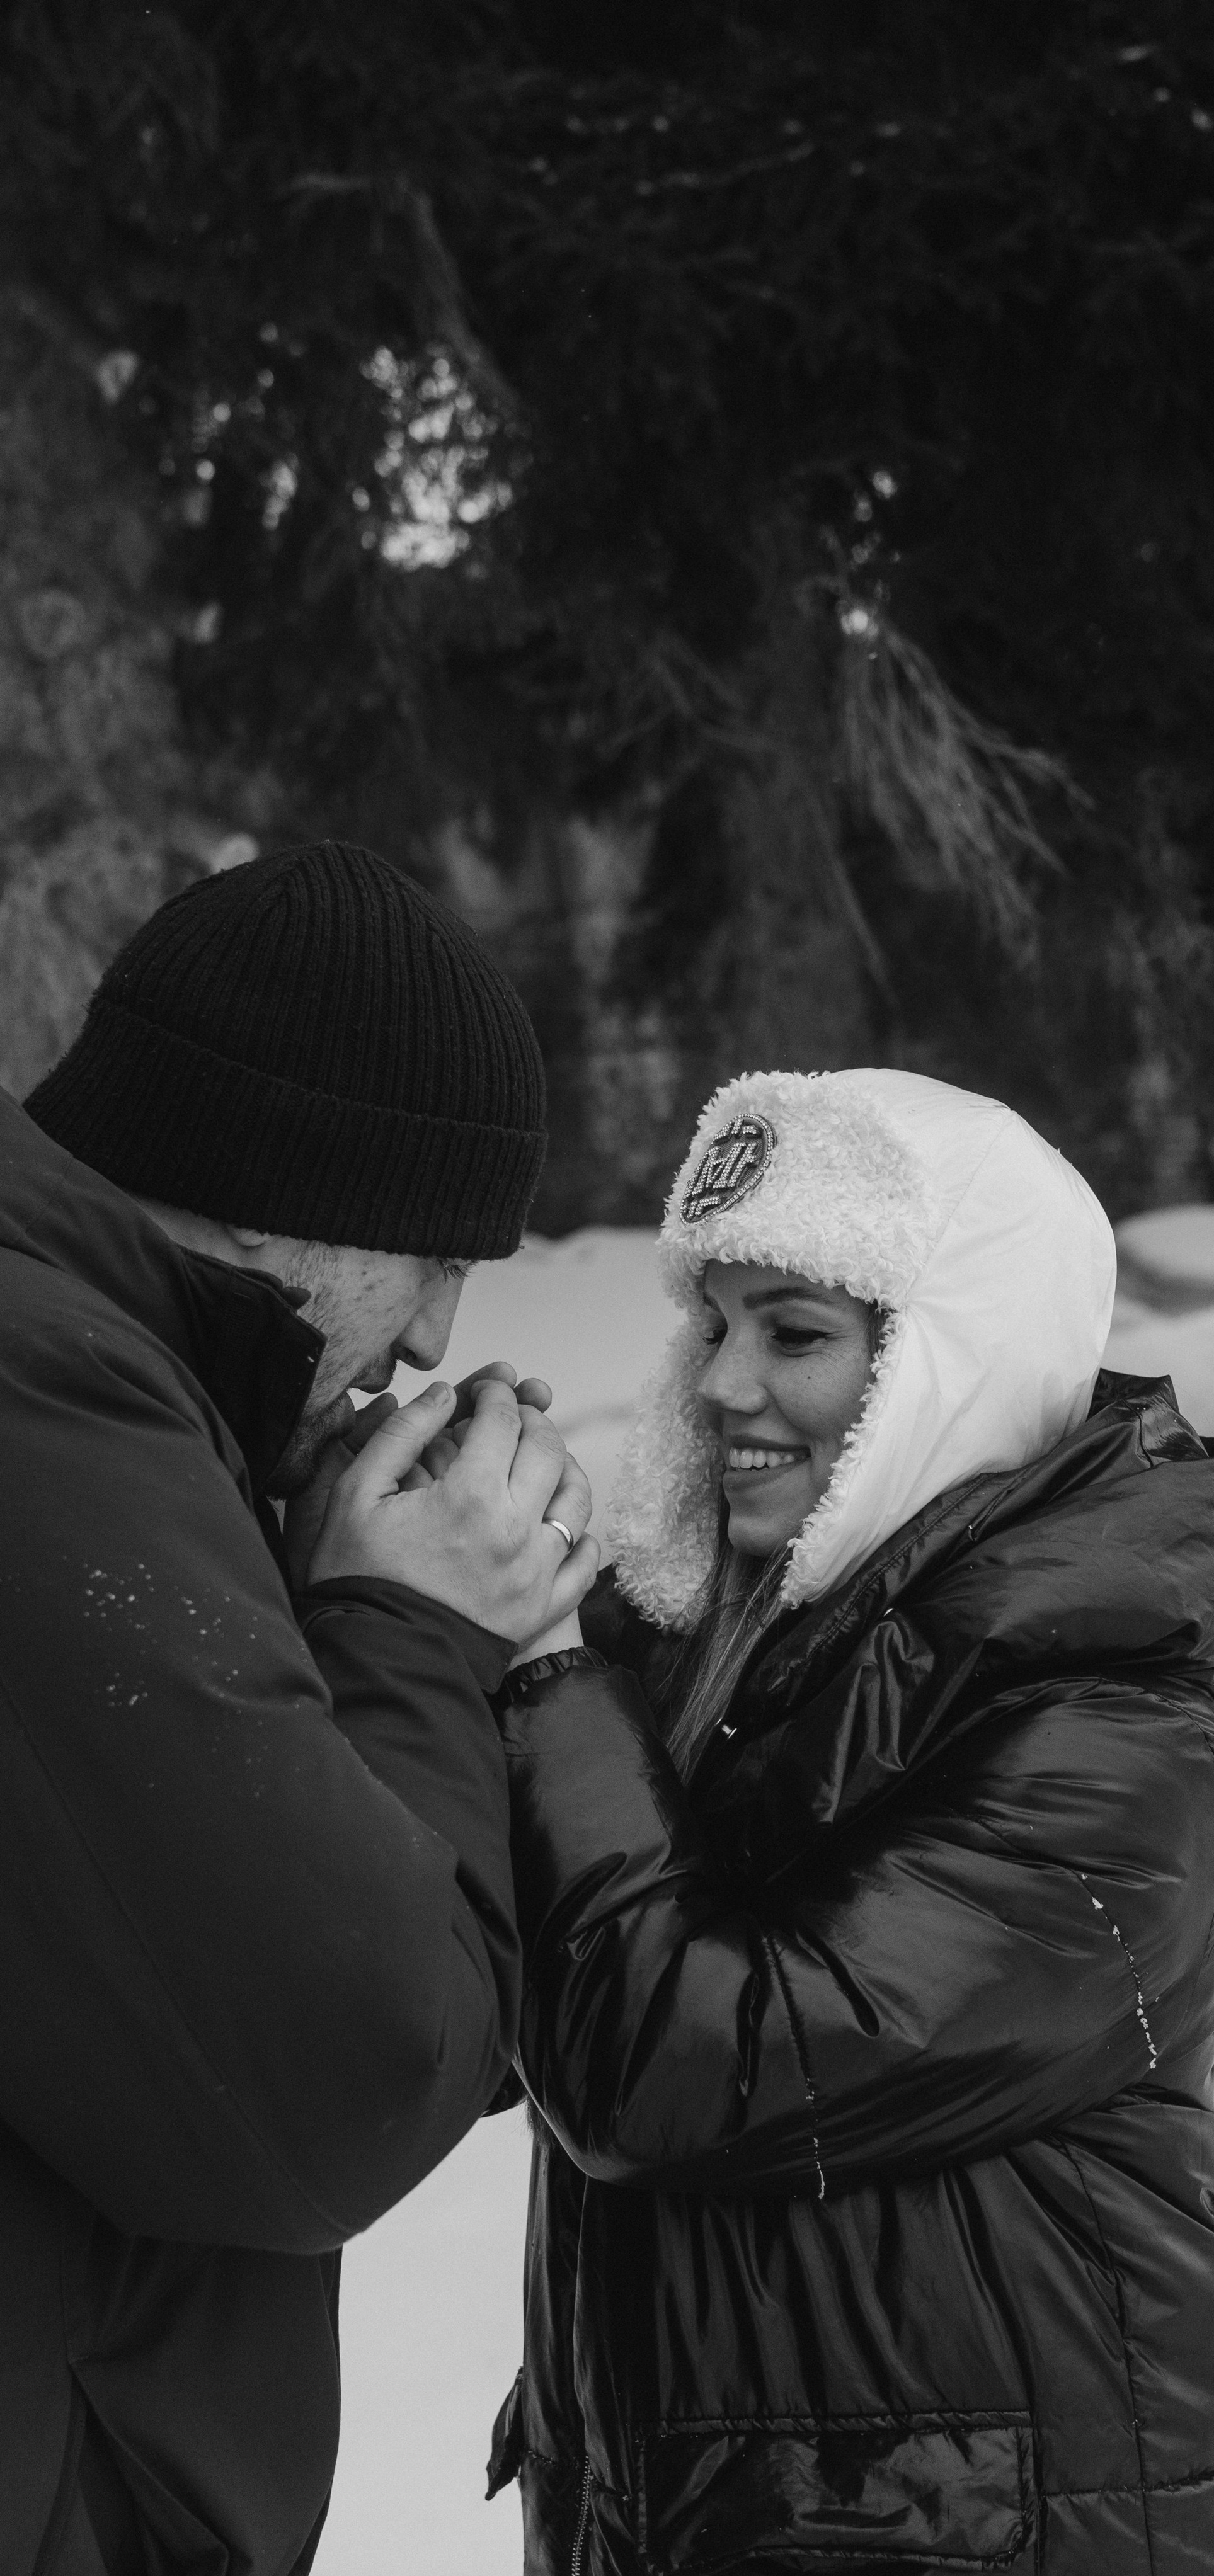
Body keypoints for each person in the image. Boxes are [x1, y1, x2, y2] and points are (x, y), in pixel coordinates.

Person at [490, 1067, 1214, 2576]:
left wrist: (542, 1669)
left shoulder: (1103, 1736)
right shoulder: (708, 1658)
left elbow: (679, 2068)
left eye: (795, 1330)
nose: (722, 1384)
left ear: (954, 1363)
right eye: (712, 1322)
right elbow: (498, 2002)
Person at [1, 841, 597, 2576]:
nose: (433, 1334)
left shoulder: (103, 1383)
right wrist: (409, 1631)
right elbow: (336, 2076)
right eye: (425, 1253)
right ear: (273, 1193)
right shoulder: (44, 1395)